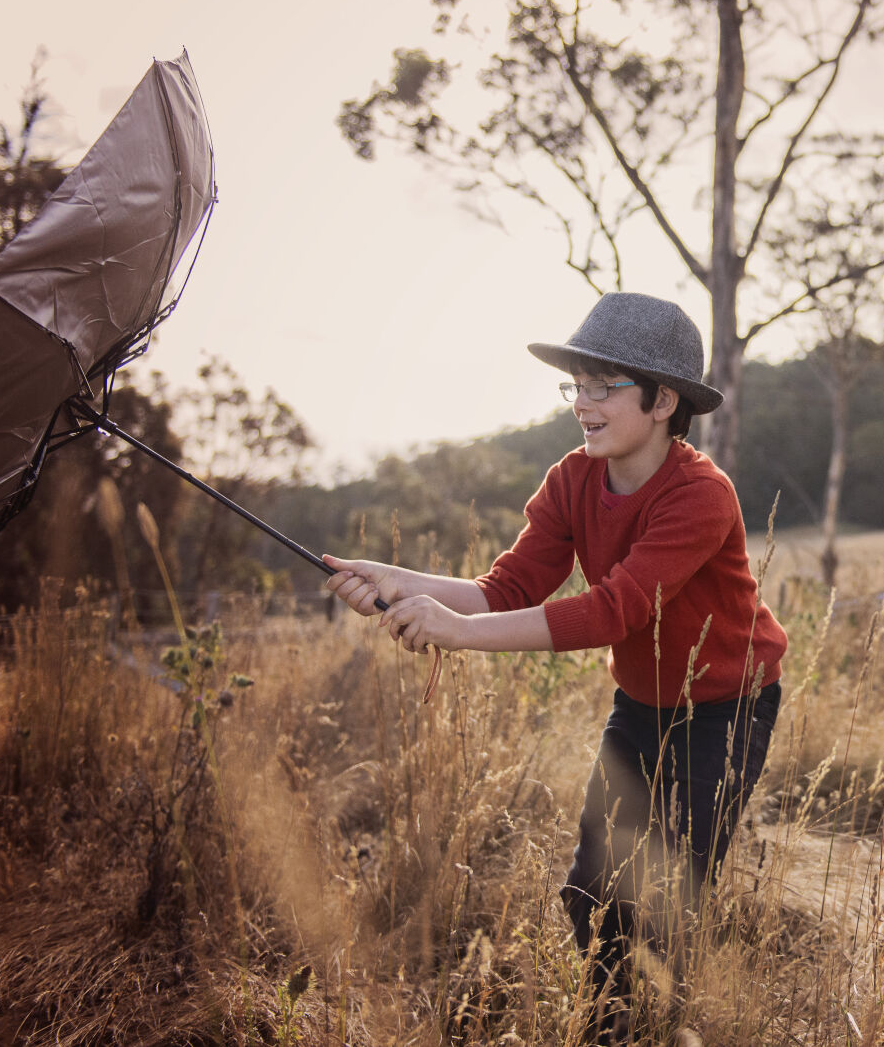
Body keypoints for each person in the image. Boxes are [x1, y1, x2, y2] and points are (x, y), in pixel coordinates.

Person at [323, 292, 787, 1044]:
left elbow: (613, 611)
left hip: (726, 709)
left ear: (664, 400)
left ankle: (658, 1029)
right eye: (576, 385)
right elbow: (504, 589)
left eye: (603, 386)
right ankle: (610, 1029)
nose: (582, 403)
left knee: (669, 899)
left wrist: (458, 632)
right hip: (640, 707)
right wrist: (395, 578)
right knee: (591, 896)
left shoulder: (702, 494)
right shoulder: (572, 480)